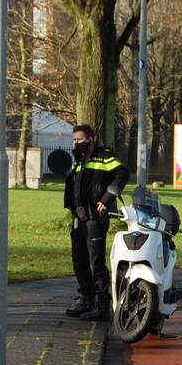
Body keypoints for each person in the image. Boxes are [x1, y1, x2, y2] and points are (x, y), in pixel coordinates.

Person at [63, 124, 128, 321]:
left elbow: (122, 173)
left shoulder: (103, 157)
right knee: (79, 259)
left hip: (94, 217)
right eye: (74, 140)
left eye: (80, 140)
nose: (76, 143)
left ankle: (101, 303)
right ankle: (86, 298)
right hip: (79, 217)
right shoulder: (80, 160)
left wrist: (106, 198)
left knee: (95, 261)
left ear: (90, 139)